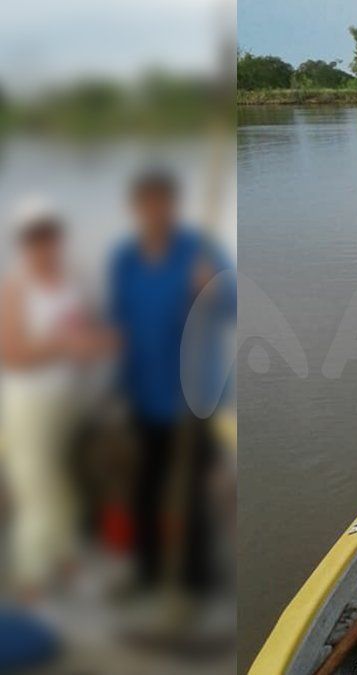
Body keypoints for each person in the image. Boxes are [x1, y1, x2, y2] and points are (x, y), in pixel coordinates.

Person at [109, 168, 234, 596]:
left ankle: (196, 584)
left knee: (192, 493)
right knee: (143, 489)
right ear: (137, 209)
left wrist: (212, 289)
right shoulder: (125, 260)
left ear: (172, 206)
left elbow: (234, 306)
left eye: (162, 203)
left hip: (192, 395)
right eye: (147, 204)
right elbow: (118, 324)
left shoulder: (197, 253)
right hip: (143, 396)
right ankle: (146, 574)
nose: (155, 211)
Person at [0, 196, 113, 601]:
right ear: (24, 242)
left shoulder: (70, 282)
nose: (43, 244)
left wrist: (103, 343)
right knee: (37, 490)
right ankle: (31, 585)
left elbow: (90, 333)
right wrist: (66, 346)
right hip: (29, 404)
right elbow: (12, 352)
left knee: (67, 486)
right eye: (34, 237)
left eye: (49, 235)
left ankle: (66, 566)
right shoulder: (16, 288)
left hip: (70, 400)